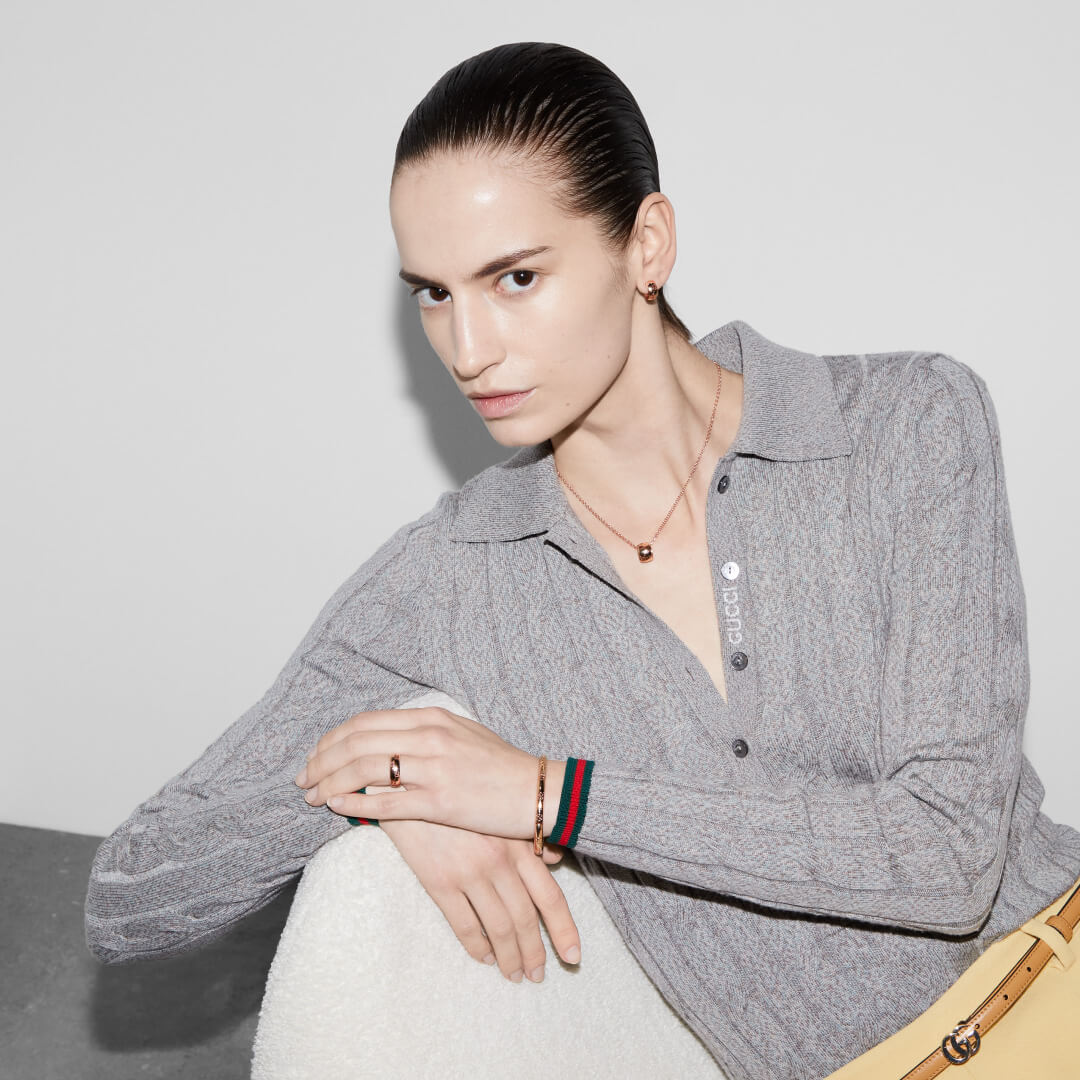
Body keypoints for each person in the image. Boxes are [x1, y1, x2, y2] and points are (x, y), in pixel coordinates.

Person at [85, 41, 1080, 1080]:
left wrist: (544, 797)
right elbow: (131, 891)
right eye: (433, 293)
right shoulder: (456, 576)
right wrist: (386, 790)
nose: (468, 348)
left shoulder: (902, 424)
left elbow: (946, 855)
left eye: (515, 278)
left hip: (1054, 976)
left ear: (647, 245)